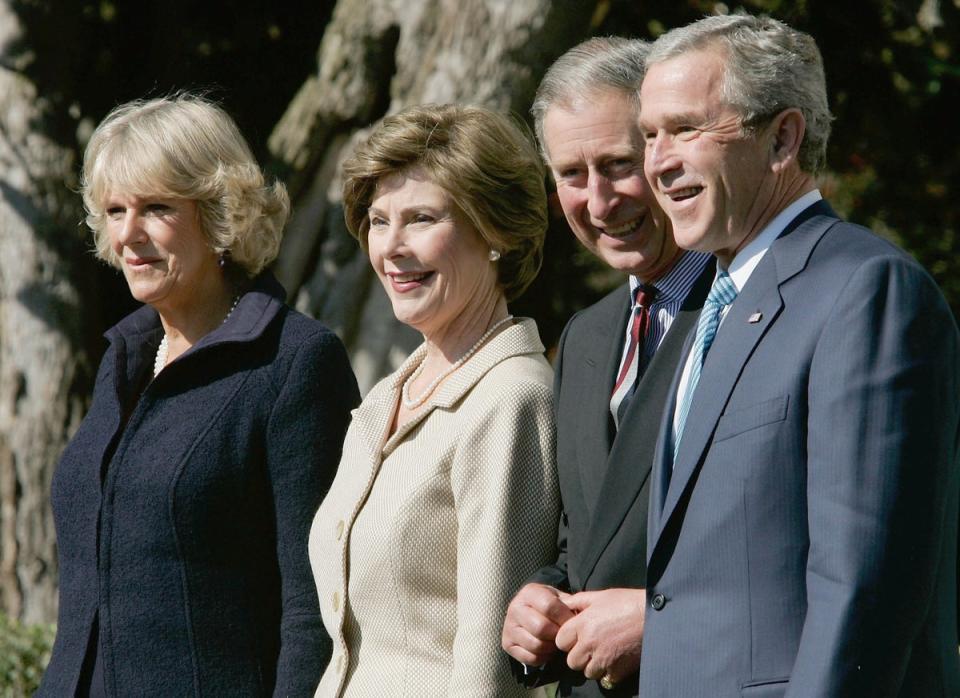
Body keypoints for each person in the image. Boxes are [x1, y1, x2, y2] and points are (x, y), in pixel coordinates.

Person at [637, 13, 959, 696]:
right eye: (649, 135)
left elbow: (863, 588)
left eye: (687, 128)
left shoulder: (866, 291)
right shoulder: (714, 304)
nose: (658, 163)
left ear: (782, 137)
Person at [39, 94, 360, 697]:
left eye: (156, 208)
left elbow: (314, 606)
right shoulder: (124, 357)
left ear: (221, 213)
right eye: (114, 210)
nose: (128, 234)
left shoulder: (292, 361)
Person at [308, 103, 560, 697]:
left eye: (421, 218)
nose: (391, 247)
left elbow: (489, 662)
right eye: (377, 220)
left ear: (495, 232)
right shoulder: (384, 398)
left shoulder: (510, 399)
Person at [501, 38, 713, 696]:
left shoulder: (751, 312)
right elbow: (586, 541)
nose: (598, 201)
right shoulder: (585, 338)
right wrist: (538, 602)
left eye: (619, 164)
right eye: (570, 174)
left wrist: (660, 622)